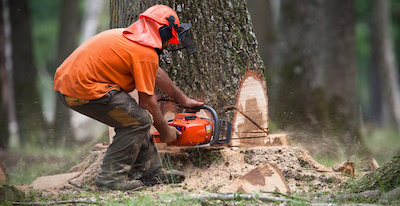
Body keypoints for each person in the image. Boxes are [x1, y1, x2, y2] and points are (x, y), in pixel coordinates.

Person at [53, 5, 203, 190]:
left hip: (69, 86)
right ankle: (109, 180)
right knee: (137, 121)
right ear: (163, 32)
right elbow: (147, 101)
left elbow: (155, 73)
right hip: (83, 89)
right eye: (169, 38)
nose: (169, 43)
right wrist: (165, 131)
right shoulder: (144, 52)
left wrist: (183, 99)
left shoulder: (132, 40)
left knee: (136, 119)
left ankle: (150, 172)